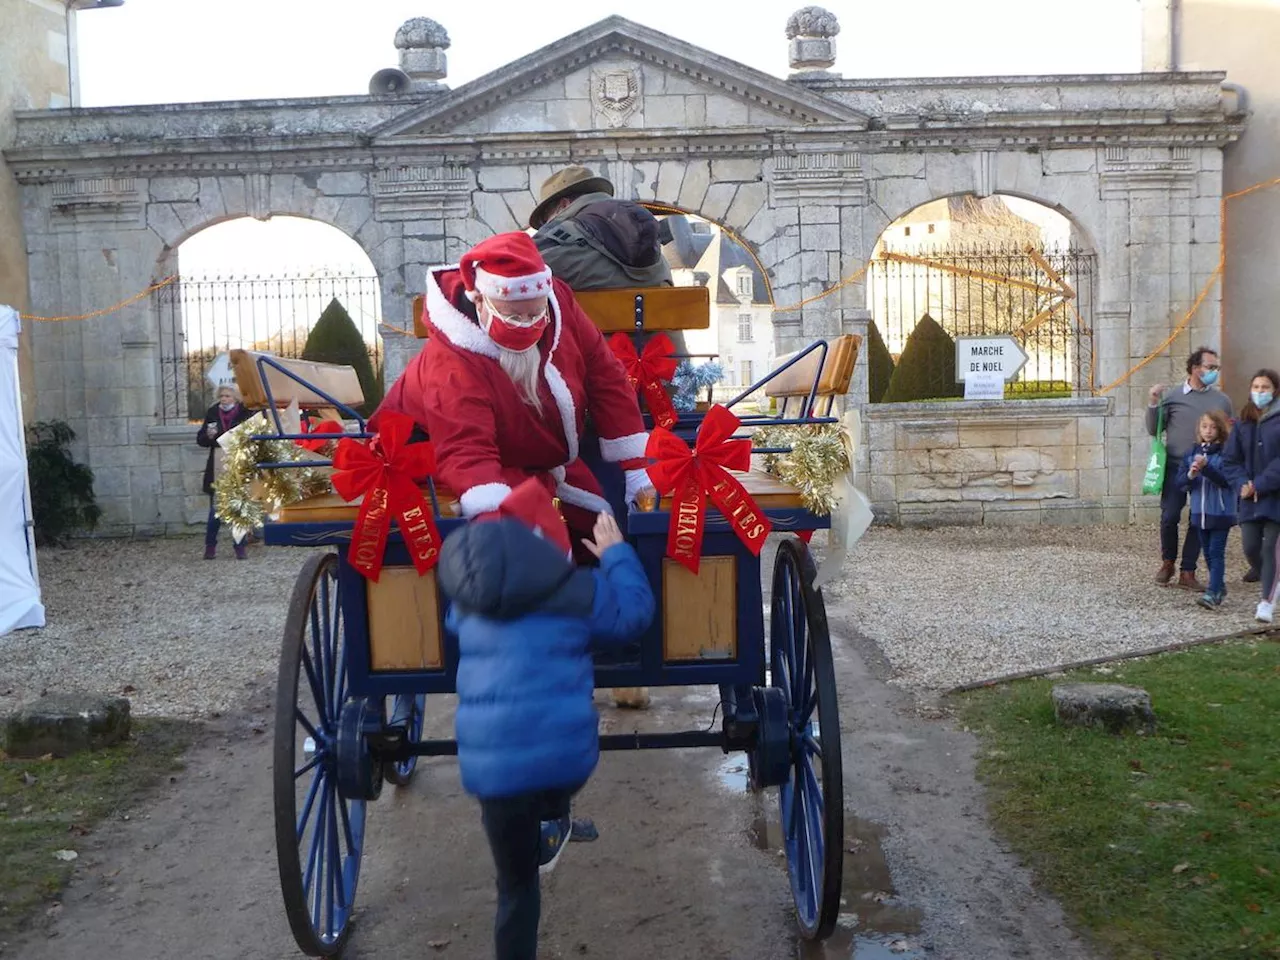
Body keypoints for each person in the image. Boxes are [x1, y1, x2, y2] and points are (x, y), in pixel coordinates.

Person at [438, 479, 655, 960]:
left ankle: (538, 850)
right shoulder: (577, 590)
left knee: (515, 888)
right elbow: (633, 616)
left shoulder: (467, 604)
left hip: (490, 776)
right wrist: (615, 555)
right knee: (553, 777)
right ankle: (554, 822)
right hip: (563, 765)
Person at [374, 231, 655, 561]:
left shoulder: (558, 303)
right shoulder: (452, 364)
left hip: (535, 453)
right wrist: (502, 531)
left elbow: (604, 374)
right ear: (479, 300)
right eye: (513, 316)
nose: (526, 326)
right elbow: (465, 450)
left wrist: (635, 466)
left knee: (600, 529)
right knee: (541, 548)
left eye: (535, 315)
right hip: (438, 452)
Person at [1146, 346, 1234, 589]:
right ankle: (1168, 562)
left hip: (1206, 466)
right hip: (1176, 465)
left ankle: (1188, 571)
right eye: (1210, 367)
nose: (1214, 371)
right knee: (1169, 515)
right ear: (1195, 368)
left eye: (1216, 367)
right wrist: (1153, 402)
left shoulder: (1221, 400)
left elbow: (1230, 432)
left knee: (1198, 519)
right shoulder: (1173, 396)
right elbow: (1154, 429)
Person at [1222, 368, 1280, 624]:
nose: (1259, 392)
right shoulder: (1243, 422)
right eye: (1255, 387)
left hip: (1275, 498)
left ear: (1275, 391)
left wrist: (1260, 484)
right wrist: (1242, 484)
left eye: (1265, 387)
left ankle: (1266, 602)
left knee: (1271, 549)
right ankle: (1273, 576)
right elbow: (1230, 460)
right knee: (1251, 547)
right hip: (1248, 499)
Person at [1175, 410, 1236, 610]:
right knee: (1208, 553)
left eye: (1212, 427)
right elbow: (1180, 482)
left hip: (1220, 512)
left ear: (1219, 430)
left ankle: (1212, 593)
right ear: (1199, 429)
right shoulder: (1191, 452)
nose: (1208, 431)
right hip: (1199, 513)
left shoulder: (1226, 453)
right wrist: (1191, 475)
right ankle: (1218, 586)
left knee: (1216, 552)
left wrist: (1207, 467)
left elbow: (1226, 481)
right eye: (1204, 427)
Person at [196, 384, 253, 559]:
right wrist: (209, 436)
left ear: (235, 398)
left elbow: (253, 436)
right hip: (218, 464)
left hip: (239, 463)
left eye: (227, 396)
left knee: (239, 509)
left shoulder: (245, 413)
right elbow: (201, 439)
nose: (224, 399)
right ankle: (210, 547)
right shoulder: (213, 412)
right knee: (215, 510)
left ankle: (240, 547)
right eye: (221, 396)